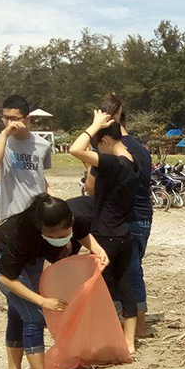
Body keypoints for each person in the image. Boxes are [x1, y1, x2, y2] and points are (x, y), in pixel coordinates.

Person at [0, 193, 109, 369]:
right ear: (40, 229)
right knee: (33, 315)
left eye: (63, 234)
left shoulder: (75, 218)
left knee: (17, 310)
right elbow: (6, 278)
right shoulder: (22, 233)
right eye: (52, 235)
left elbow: (83, 234)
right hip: (1, 256)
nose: (59, 238)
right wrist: (43, 301)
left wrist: (98, 250)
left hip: (32, 256)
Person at [68, 109, 140, 353]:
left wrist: (94, 125)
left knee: (100, 289)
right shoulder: (132, 160)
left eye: (98, 147)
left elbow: (75, 149)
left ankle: (104, 339)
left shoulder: (113, 162)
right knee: (126, 286)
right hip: (124, 234)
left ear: (105, 142)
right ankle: (129, 343)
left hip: (106, 235)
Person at [102, 93, 155, 337]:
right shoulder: (141, 149)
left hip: (125, 219)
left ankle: (132, 327)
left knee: (125, 274)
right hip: (144, 218)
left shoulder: (113, 148)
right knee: (135, 270)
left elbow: (95, 186)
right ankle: (138, 324)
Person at [0, 95, 51, 222]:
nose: (9, 123)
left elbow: (39, 175)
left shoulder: (43, 145)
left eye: (14, 119)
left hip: (38, 212)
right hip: (11, 213)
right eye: (6, 118)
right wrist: (5, 134)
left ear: (27, 119)